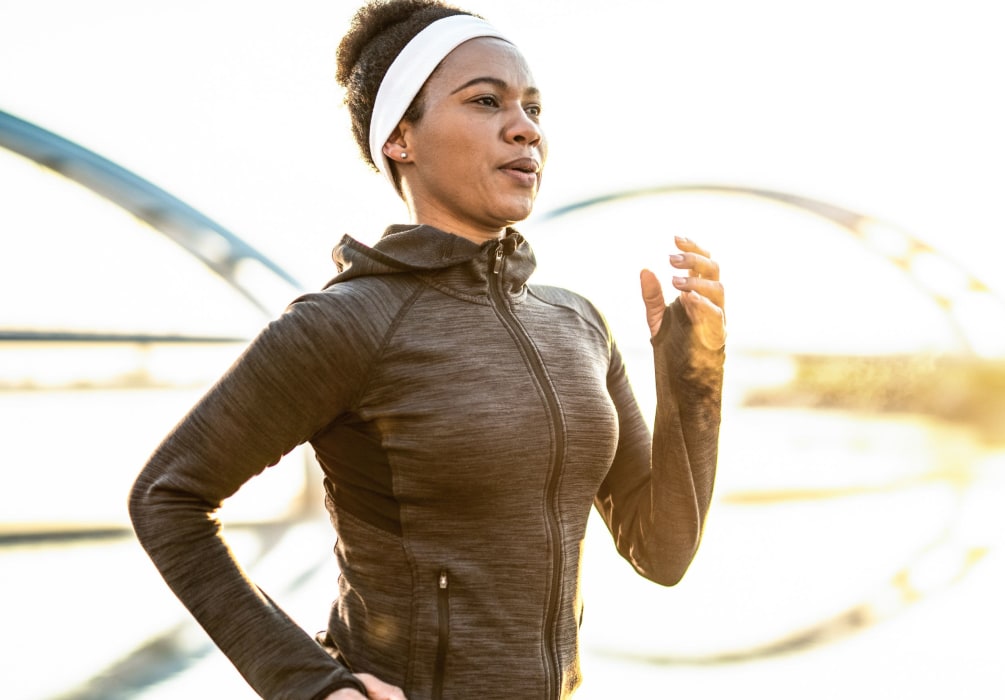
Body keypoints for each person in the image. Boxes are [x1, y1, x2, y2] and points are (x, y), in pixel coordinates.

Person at [128, 1, 726, 698]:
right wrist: (312, 688)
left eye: (534, 107)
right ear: (400, 139)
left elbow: (663, 550)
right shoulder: (348, 322)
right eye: (485, 101)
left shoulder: (579, 324)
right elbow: (168, 498)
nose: (525, 127)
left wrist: (693, 373)